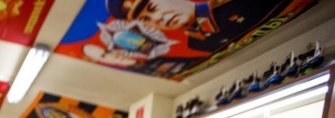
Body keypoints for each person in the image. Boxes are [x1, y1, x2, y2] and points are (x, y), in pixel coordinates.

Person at [107, 0, 294, 54]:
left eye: (153, 7)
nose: (158, 18)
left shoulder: (228, 4)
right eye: (146, 19)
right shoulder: (198, 44)